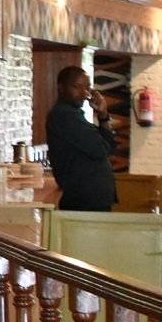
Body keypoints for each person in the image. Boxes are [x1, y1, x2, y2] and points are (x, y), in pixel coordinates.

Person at [45, 65, 117, 212]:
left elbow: (108, 145)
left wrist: (103, 115)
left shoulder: (74, 115)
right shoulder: (65, 116)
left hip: (90, 198)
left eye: (87, 87)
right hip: (84, 200)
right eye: (76, 87)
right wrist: (103, 117)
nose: (84, 93)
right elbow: (102, 150)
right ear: (61, 88)